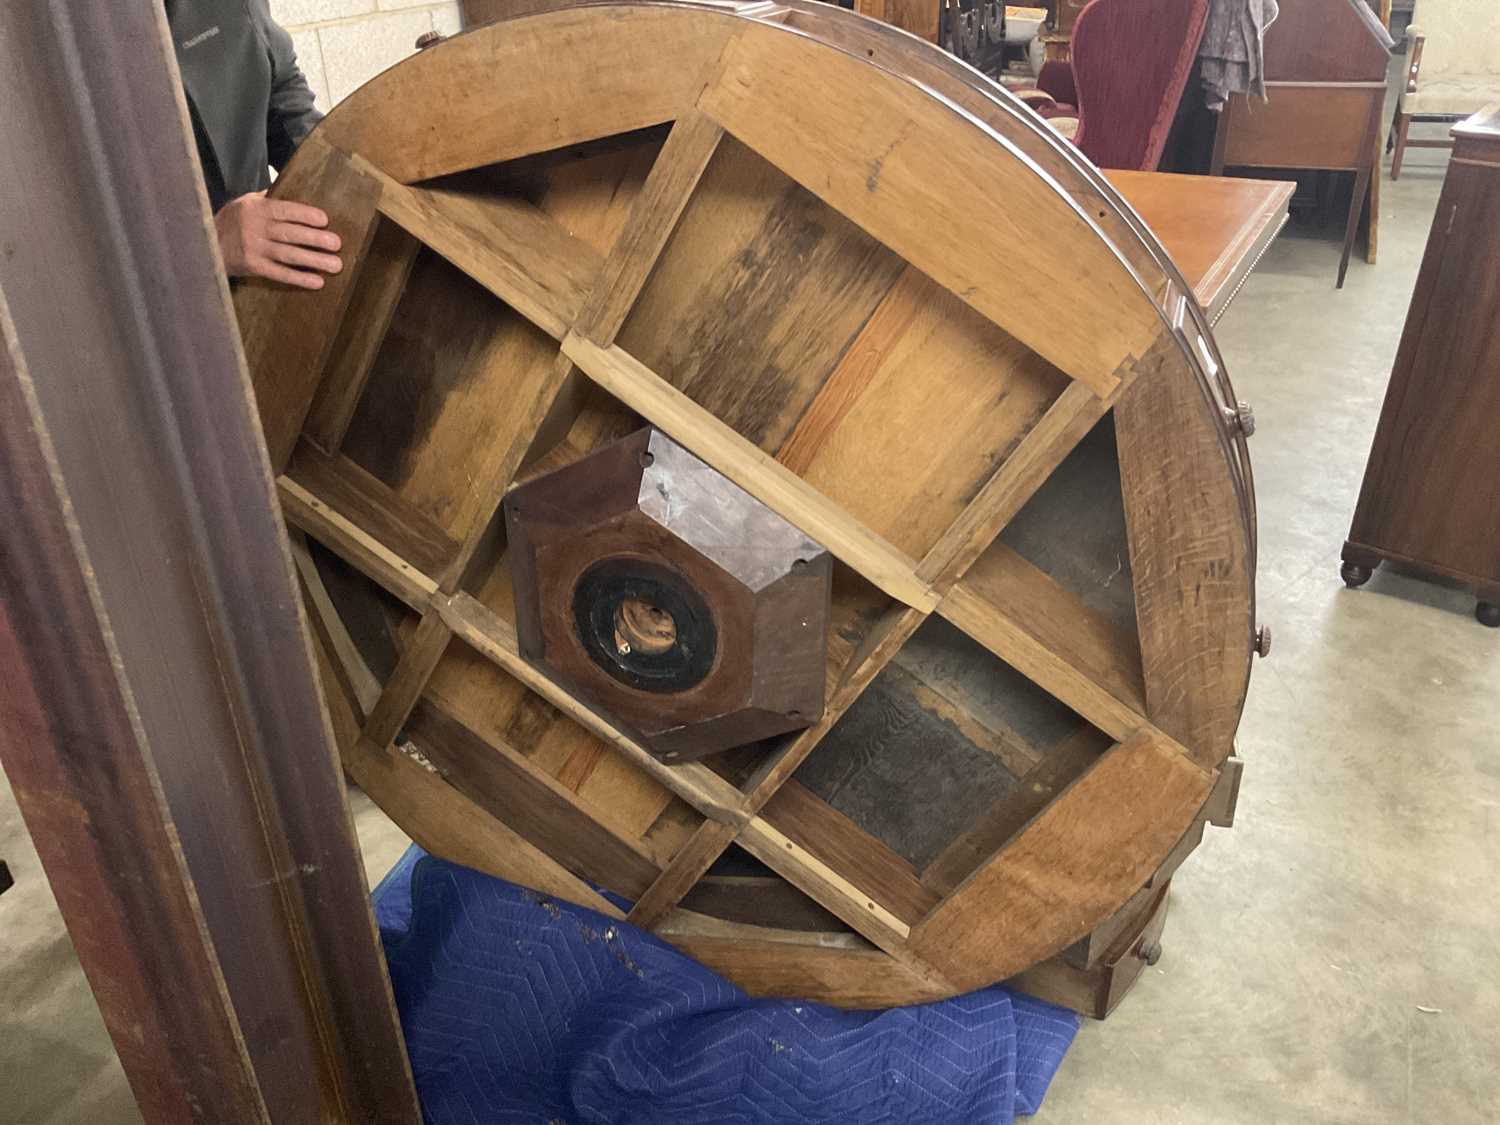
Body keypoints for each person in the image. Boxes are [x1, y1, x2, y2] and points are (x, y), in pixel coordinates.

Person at [166, 0, 343, 289]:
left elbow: (282, 92)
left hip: (258, 287)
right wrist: (208, 243)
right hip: (159, 307)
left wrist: (341, 173)